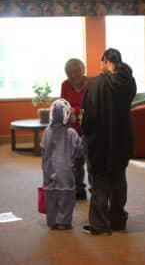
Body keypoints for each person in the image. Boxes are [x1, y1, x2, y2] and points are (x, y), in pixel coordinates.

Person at [81, 48, 137, 235]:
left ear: (105, 60)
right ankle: (117, 219)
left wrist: (86, 133)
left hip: (101, 141)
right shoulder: (129, 82)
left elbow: (88, 119)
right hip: (122, 138)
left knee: (100, 181)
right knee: (119, 179)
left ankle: (99, 224)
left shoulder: (96, 84)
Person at [41, 98, 84, 230]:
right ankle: (64, 222)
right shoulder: (71, 133)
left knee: (50, 194)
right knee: (66, 196)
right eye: (70, 113)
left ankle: (52, 221)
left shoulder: (47, 131)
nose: (73, 116)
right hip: (65, 170)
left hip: (48, 169)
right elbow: (78, 152)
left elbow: (43, 150)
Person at [61, 58, 89, 200]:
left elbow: (93, 105)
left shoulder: (91, 83)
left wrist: (75, 110)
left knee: (91, 160)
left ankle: (95, 188)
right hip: (72, 129)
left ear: (83, 70)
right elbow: (63, 104)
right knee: (76, 161)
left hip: (89, 126)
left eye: (76, 71)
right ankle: (78, 188)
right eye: (69, 72)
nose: (73, 75)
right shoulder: (65, 85)